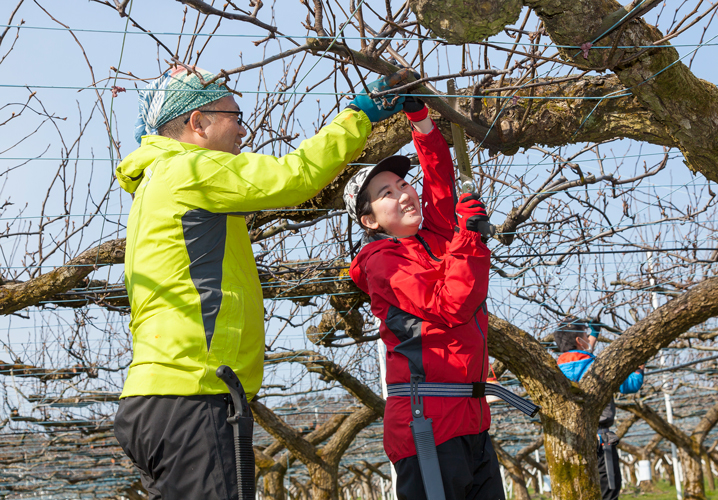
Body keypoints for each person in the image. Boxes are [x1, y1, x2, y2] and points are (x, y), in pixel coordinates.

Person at [113, 65, 405, 499]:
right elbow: (295, 176)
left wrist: (155, 116)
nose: (244, 132)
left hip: (157, 401)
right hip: (195, 395)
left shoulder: (157, 177)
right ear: (198, 124)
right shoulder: (189, 169)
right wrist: (359, 114)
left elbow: (157, 134)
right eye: (235, 117)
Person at [345, 96, 506, 500]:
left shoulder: (433, 236)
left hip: (471, 420)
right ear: (369, 220)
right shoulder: (382, 261)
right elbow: (452, 305)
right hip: (428, 427)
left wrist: (419, 118)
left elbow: (439, 179)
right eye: (386, 193)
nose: (403, 193)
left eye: (402, 184)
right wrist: (469, 236)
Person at [553, 318, 644, 500]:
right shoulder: (599, 368)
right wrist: (639, 365)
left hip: (570, 439)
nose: (588, 338)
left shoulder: (556, 369)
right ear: (580, 341)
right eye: (586, 335)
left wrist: (594, 334)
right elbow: (630, 385)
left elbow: (580, 359)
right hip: (600, 439)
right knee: (609, 490)